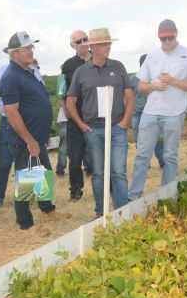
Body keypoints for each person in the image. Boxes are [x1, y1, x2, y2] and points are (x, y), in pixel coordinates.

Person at [0, 31, 70, 237]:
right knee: (28, 179)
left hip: (36, 137)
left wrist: (41, 134)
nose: (31, 51)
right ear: (15, 53)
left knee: (44, 172)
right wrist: (29, 139)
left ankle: (47, 210)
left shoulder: (27, 72)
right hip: (24, 140)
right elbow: (11, 113)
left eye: (32, 47)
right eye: (27, 48)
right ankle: (25, 224)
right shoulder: (11, 77)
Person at [129, 19, 187, 200]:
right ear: (159, 38)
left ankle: (166, 196)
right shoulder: (152, 57)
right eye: (164, 39)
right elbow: (140, 86)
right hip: (150, 112)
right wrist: (153, 86)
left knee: (170, 156)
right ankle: (134, 196)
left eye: (170, 38)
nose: (167, 42)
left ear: (176, 34)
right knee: (142, 155)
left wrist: (172, 81)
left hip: (175, 112)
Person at [66, 28, 134, 216]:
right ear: (93, 47)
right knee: (98, 173)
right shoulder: (81, 72)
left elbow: (129, 96)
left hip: (117, 128)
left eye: (109, 43)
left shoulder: (118, 67)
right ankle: (100, 213)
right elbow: (70, 102)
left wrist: (124, 122)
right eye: (105, 44)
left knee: (119, 171)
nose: (108, 47)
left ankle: (121, 212)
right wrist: (81, 126)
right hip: (93, 130)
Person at [0, 59, 44, 208]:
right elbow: (10, 99)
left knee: (32, 163)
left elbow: (41, 93)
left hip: (31, 124)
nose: (30, 54)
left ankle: (31, 200)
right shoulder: (3, 71)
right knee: (6, 163)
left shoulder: (34, 70)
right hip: (10, 122)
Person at [61, 30, 93, 201]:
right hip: (75, 120)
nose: (82, 43)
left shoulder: (99, 59)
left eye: (85, 39)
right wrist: (67, 112)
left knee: (100, 157)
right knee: (74, 159)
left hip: (96, 120)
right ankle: (75, 191)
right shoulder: (68, 66)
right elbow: (62, 92)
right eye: (78, 41)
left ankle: (107, 188)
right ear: (72, 45)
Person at [130, 54, 165, 168]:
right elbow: (128, 96)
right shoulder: (133, 79)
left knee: (157, 138)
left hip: (153, 112)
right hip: (137, 113)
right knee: (140, 140)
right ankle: (145, 163)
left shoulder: (155, 79)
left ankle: (162, 162)